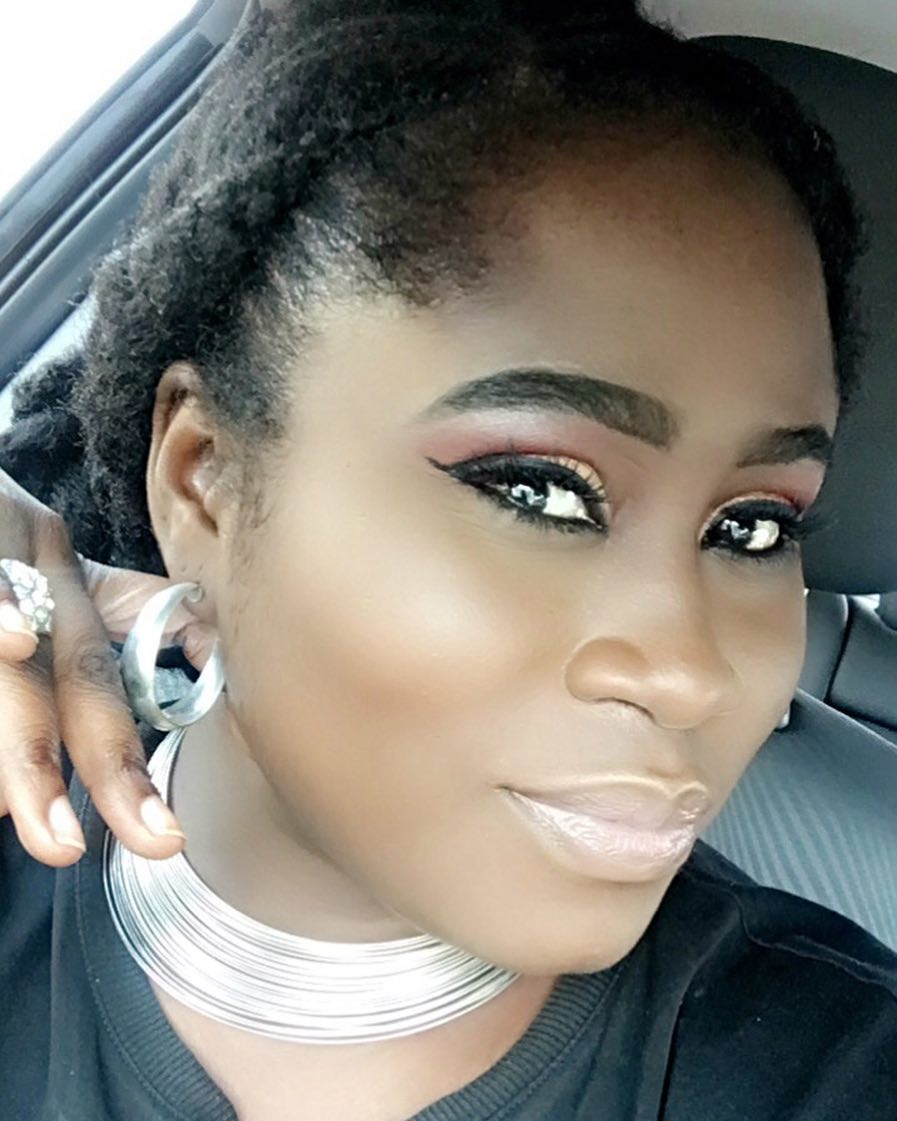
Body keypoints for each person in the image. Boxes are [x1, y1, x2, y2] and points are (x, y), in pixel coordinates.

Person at [1, 1, 895, 1118]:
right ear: (202, 478)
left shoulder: (834, 1065)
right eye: (539, 491)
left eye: (752, 527)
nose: (690, 674)